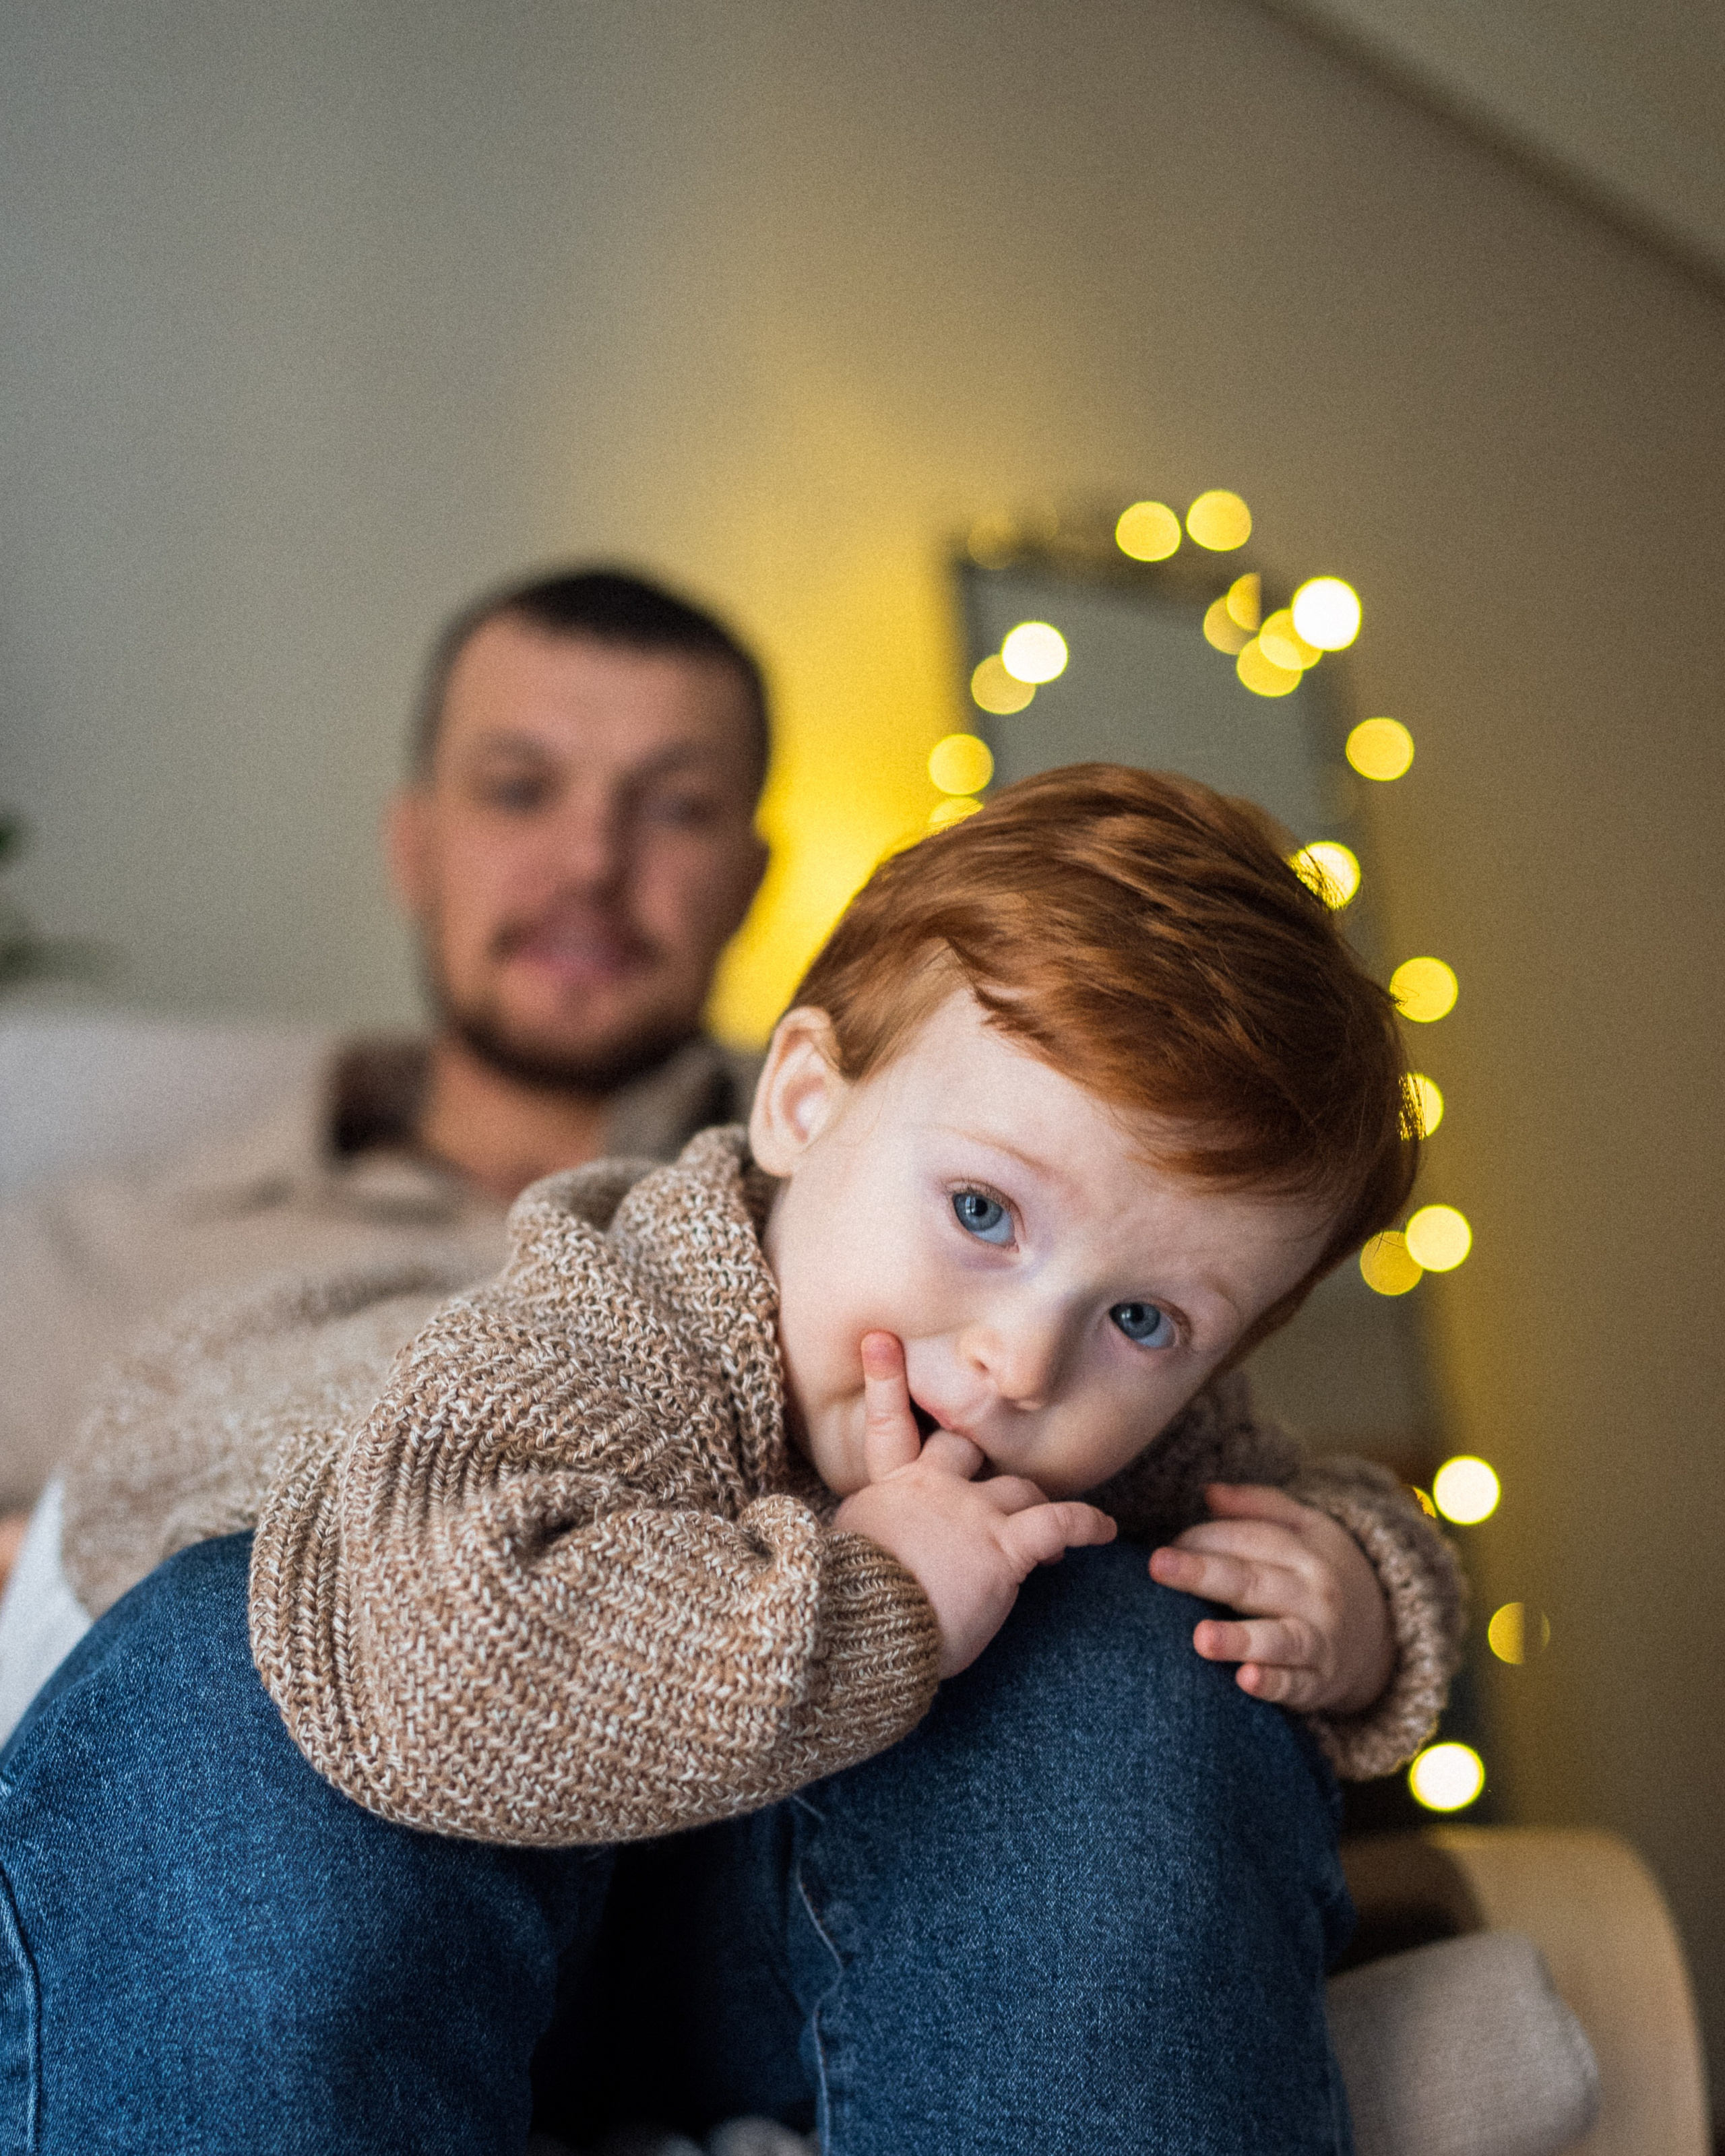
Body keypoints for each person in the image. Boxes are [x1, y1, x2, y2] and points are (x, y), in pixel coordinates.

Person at [6, 766, 1462, 2153]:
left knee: (1143, 1631)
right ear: (801, 1106)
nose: (1020, 1362)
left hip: (739, 1957)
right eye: (979, 1211)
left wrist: (1357, 1592)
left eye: (1143, 1318)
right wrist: (874, 1597)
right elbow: (432, 1675)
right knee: (243, 1659)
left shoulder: (1108, 1426)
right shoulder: (616, 1318)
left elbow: (1281, 1492)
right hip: (402, 1894)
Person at [0, 565, 772, 1600]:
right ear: (414, 848)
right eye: (518, 790)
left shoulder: (902, 1224)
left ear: (752, 880)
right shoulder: (69, 1267)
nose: (592, 861)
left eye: (676, 807)